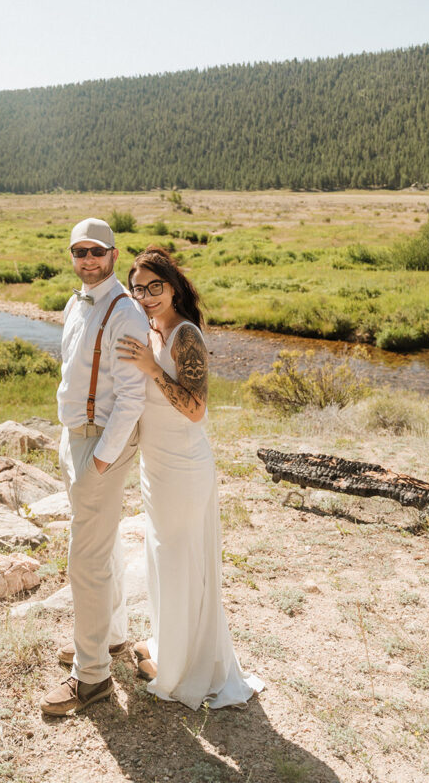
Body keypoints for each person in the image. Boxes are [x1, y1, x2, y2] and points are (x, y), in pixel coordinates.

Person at [117, 246, 264, 710]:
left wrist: (150, 369)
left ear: (174, 286)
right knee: (164, 560)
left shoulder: (185, 336)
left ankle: (186, 668)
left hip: (183, 465)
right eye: (138, 289)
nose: (146, 296)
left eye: (154, 287)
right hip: (155, 466)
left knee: (181, 561)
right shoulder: (150, 328)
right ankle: (170, 651)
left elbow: (196, 410)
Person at [40, 218, 149, 716]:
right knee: (100, 548)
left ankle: (91, 678)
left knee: (83, 561)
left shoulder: (124, 313)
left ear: (112, 253)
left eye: (96, 252)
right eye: (79, 252)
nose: (87, 260)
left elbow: (131, 396)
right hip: (74, 440)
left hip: (100, 448)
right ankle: (110, 638)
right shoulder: (74, 303)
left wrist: (103, 457)